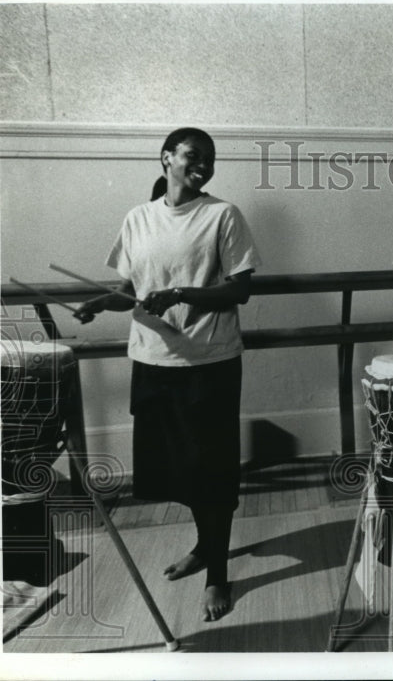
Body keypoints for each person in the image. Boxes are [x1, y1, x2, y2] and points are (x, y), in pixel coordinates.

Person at [75, 127, 261, 622]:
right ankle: (205, 547)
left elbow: (240, 290)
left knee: (213, 471)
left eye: (210, 159)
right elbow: (131, 287)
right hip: (152, 362)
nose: (203, 165)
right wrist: (103, 302)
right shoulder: (138, 217)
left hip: (209, 363)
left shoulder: (222, 215)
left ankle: (218, 575)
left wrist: (180, 294)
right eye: (193, 155)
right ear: (166, 159)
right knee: (177, 471)